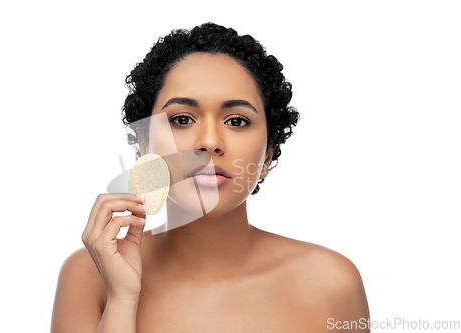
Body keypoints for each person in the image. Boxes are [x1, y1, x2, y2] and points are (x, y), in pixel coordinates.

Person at [51, 23, 370, 332]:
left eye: (237, 121)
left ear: (267, 157)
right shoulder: (90, 274)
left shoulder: (332, 283)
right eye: (182, 119)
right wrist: (122, 299)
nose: (209, 141)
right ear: (146, 145)